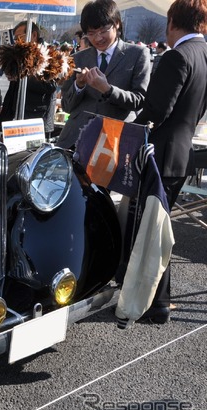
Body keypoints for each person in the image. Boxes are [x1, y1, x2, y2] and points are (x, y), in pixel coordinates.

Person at [132, 0, 207, 324]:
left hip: (162, 154)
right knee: (159, 228)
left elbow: (158, 109)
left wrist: (136, 123)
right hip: (182, 149)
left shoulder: (177, 56)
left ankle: (155, 303)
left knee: (152, 231)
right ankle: (159, 299)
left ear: (173, 20)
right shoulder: (203, 53)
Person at [56, 0, 151, 149]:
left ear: (117, 23)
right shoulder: (78, 58)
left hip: (116, 141)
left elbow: (139, 100)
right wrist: (78, 86)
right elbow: (67, 106)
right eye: (91, 33)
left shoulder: (138, 54)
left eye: (103, 31)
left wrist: (108, 90)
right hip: (77, 139)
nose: (98, 38)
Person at [0, 21, 57, 138]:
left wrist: (23, 76)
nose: (18, 42)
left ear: (33, 35)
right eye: (16, 39)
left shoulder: (49, 55)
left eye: (20, 37)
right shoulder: (19, 55)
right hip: (15, 118)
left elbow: (51, 86)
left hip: (35, 123)